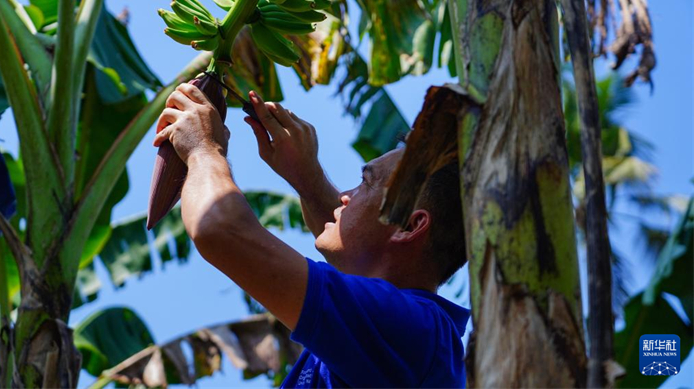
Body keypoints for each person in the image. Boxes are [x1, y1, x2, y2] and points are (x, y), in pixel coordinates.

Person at [152, 83, 471, 388]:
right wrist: (307, 178)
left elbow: (218, 229)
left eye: (366, 184)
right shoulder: (406, 336)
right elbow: (359, 247)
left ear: (409, 227)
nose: (345, 196)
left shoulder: (411, 333)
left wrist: (203, 149)